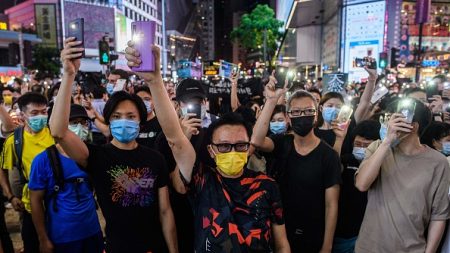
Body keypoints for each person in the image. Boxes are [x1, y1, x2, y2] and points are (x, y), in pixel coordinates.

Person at [50, 38, 181, 253]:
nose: (124, 121)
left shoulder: (155, 158)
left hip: (154, 247)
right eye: (118, 116)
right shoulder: (96, 156)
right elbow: (58, 131)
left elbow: (165, 212)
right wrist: (68, 75)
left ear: (140, 121)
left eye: (131, 116)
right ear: (109, 121)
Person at [252, 79, 341, 252]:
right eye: (296, 112)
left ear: (316, 115)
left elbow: (332, 205)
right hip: (280, 231)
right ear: (288, 117)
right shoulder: (282, 143)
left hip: (313, 235)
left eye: (308, 111)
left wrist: (327, 246)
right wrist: (271, 101)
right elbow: (256, 140)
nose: (302, 116)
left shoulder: (328, 155)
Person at [355, 99, 450, 253]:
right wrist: (387, 142)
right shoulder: (378, 148)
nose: (389, 125)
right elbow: (362, 184)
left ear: (413, 126)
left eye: (395, 119)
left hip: (412, 248)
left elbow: (438, 215)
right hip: (369, 247)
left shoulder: (438, 162)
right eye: (388, 120)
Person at [29, 104, 103, 253]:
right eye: (73, 123)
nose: (80, 126)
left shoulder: (92, 155)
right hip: (62, 236)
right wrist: (43, 238)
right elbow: (35, 201)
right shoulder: (43, 160)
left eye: (83, 122)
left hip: (92, 231)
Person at [0, 92, 55, 253]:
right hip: (31, 207)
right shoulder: (14, 141)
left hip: (58, 205)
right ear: (23, 116)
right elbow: (2, 169)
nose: (41, 117)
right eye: (34, 113)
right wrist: (10, 195)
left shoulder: (56, 135)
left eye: (44, 112)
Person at [333, 120, 380, 253]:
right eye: (358, 144)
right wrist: (339, 139)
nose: (361, 149)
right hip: (344, 232)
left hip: (370, 232)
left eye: (366, 146)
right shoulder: (345, 159)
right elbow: (332, 169)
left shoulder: (382, 165)